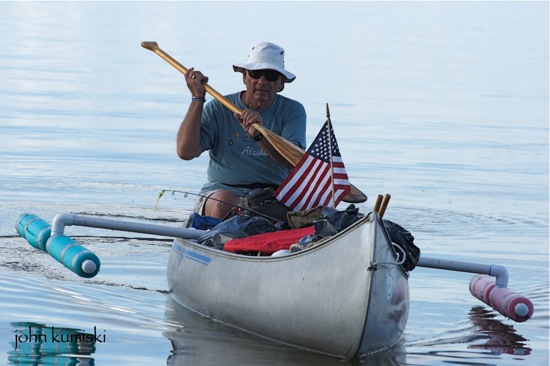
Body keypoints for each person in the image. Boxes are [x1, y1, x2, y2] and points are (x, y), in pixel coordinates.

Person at [177, 42, 307, 220]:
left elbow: (295, 162)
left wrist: (260, 136)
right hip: (222, 193)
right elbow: (185, 152)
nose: (262, 81)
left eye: (270, 76)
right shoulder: (218, 108)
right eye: (255, 74)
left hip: (271, 197)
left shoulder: (293, 111)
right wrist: (198, 98)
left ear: (280, 83)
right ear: (244, 77)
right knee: (226, 201)